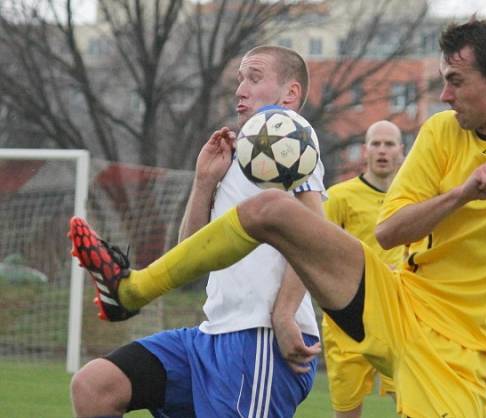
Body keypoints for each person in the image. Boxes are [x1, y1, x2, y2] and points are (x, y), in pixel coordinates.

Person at [69, 18, 486, 418]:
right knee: (270, 209)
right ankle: (128, 290)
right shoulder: (439, 135)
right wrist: (461, 194)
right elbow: (390, 230)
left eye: (456, 79)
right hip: (395, 298)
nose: (444, 91)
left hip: (459, 354)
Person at [69, 45, 324, 418]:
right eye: (239, 80)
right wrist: (204, 181)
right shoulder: (242, 153)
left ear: (290, 94)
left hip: (261, 338)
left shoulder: (288, 138)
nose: (240, 89)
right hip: (209, 338)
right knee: (96, 386)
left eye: (254, 78)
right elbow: (190, 252)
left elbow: (314, 232)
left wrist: (284, 315)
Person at [322, 120, 405, 417]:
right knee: (346, 411)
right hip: (348, 318)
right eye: (376, 143)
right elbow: (318, 253)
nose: (382, 150)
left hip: (401, 317)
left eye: (389, 144)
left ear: (401, 151)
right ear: (365, 150)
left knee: (414, 407)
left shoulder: (415, 198)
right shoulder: (338, 197)